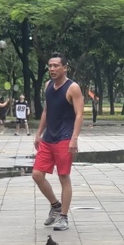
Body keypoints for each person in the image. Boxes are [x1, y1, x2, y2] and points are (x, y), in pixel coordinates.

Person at [32, 54, 83, 232]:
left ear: (65, 68)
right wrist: (39, 133)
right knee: (37, 174)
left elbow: (79, 115)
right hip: (48, 138)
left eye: (55, 66)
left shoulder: (73, 88)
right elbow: (47, 110)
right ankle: (55, 205)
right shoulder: (48, 86)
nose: (52, 69)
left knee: (63, 177)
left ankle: (63, 217)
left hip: (64, 138)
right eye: (50, 66)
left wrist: (74, 139)